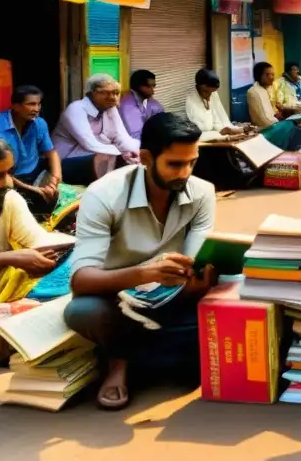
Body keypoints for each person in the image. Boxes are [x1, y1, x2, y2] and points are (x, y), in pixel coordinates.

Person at [65, 113, 216, 410]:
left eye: (192, 162)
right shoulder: (103, 196)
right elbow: (81, 280)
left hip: (175, 299)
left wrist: (197, 282)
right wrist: (144, 274)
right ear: (146, 158)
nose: (185, 173)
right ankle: (120, 362)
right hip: (117, 301)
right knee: (82, 312)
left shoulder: (202, 192)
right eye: (175, 164)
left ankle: (130, 354)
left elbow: (195, 262)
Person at [0, 138, 66, 308]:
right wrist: (10, 257)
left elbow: (37, 240)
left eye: (10, 172)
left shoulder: (8, 199)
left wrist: (44, 257)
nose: (7, 181)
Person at [52, 74, 140, 185]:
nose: (112, 97)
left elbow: (122, 138)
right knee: (112, 161)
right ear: (91, 93)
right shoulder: (76, 108)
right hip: (65, 162)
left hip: (96, 158)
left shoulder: (110, 108)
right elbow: (90, 145)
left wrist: (136, 154)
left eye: (115, 93)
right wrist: (122, 155)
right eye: (105, 93)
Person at [0, 85, 62, 213]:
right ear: (15, 106)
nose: (36, 109)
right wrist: (35, 190)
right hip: (7, 178)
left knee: (53, 195)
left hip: (33, 172)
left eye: (38, 104)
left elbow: (51, 152)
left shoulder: (39, 123)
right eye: (31, 104)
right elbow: (1, 173)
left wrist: (55, 179)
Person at [184, 69, 245, 137]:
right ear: (197, 87)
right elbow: (203, 129)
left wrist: (233, 129)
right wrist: (221, 133)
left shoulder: (213, 94)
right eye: (206, 91)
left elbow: (221, 118)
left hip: (218, 135)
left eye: (212, 92)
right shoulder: (191, 102)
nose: (209, 95)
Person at [118, 70, 165, 143]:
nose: (153, 91)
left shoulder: (150, 101)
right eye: (148, 86)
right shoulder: (128, 106)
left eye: (153, 86)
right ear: (137, 86)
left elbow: (162, 123)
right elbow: (136, 137)